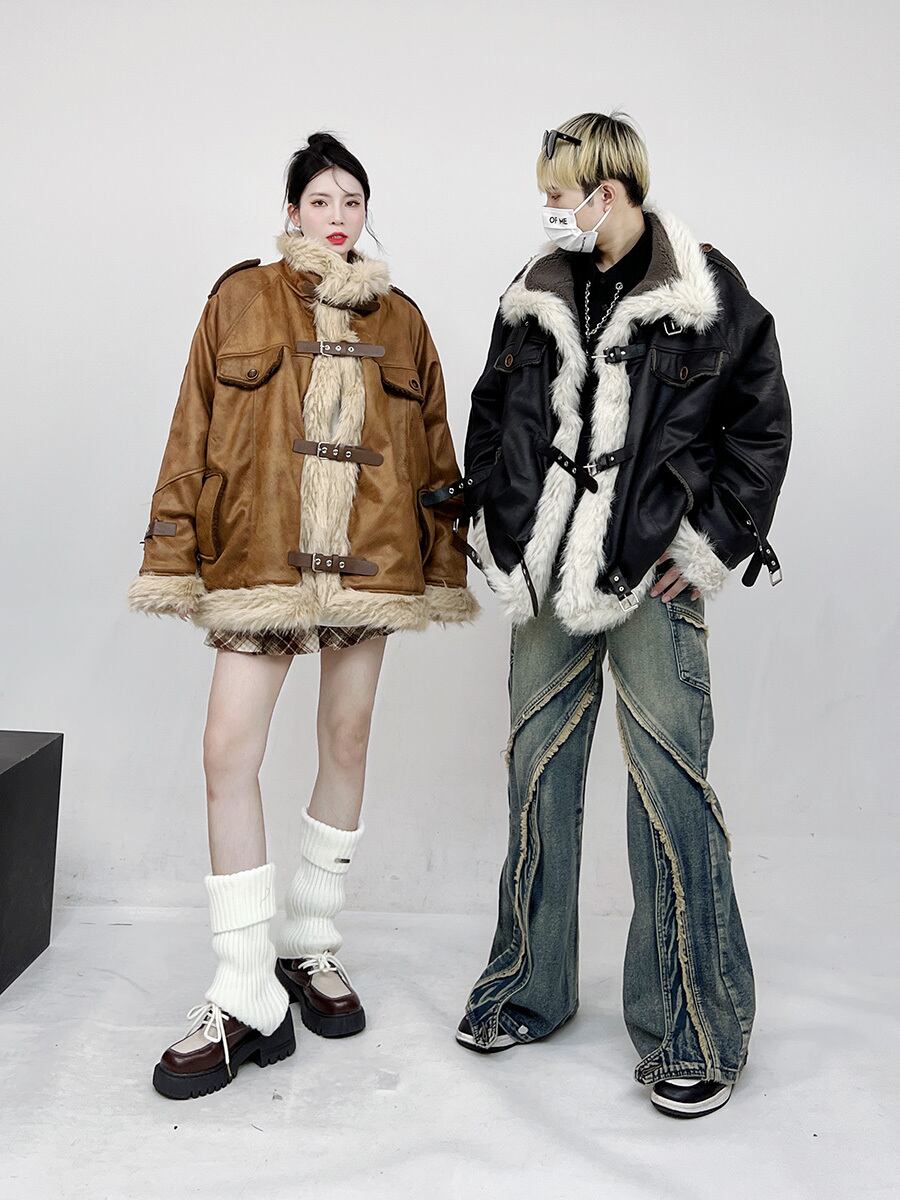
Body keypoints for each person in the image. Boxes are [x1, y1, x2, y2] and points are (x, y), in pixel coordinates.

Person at [453, 111, 791, 1119]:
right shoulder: (535, 290)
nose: (549, 209)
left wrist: (712, 541)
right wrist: (499, 525)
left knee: (670, 793)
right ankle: (527, 990)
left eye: (559, 193)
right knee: (537, 778)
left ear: (607, 189)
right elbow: (490, 412)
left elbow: (760, 422)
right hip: (546, 574)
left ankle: (695, 1028)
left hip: (648, 572)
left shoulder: (704, 288)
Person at [127, 131, 478, 1100]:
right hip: (261, 557)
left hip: (370, 561)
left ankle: (309, 943)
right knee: (225, 753)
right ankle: (243, 989)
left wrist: (442, 566)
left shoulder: (401, 319)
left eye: (351, 199)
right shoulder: (239, 298)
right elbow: (191, 430)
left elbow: (434, 451)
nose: (337, 214)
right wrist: (173, 555)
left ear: (366, 213)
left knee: (348, 740)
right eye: (320, 198)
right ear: (291, 211)